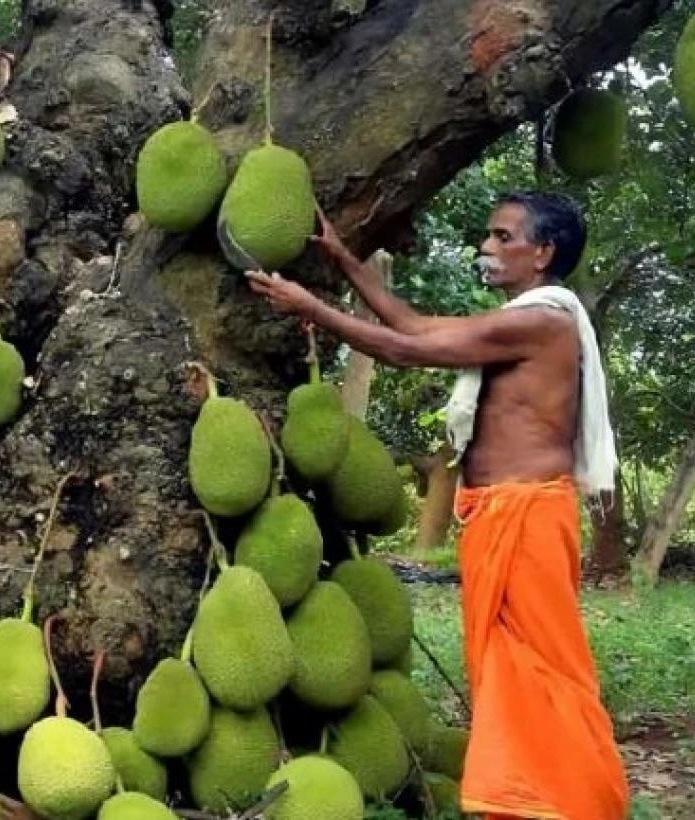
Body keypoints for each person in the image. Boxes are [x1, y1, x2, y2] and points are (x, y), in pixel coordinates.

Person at [245, 191, 630, 820]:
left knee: (547, 671)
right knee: (507, 671)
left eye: (503, 237)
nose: (487, 247)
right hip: (498, 514)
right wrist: (347, 263)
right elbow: (416, 326)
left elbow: (408, 350)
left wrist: (311, 306)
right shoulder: (518, 320)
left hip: (528, 515)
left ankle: (582, 802)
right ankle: (526, 802)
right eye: (490, 235)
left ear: (544, 252)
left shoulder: (542, 322)